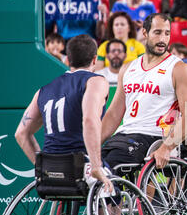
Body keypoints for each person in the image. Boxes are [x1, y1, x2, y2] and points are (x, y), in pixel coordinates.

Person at [100, 13, 187, 171]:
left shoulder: (180, 69)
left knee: (110, 167)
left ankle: (112, 195)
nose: (163, 39)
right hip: (124, 135)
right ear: (145, 33)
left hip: (154, 136)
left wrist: (166, 147)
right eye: (157, 32)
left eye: (167, 33)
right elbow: (113, 115)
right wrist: (91, 145)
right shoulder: (128, 68)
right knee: (92, 165)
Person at [14, 34, 113, 193]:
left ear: (68, 60)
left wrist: (42, 168)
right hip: (81, 164)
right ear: (94, 60)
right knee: (115, 190)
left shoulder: (43, 90)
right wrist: (96, 165)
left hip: (51, 167)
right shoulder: (95, 81)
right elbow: (89, 120)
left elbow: (21, 134)